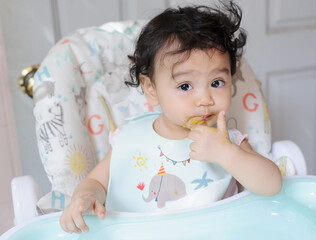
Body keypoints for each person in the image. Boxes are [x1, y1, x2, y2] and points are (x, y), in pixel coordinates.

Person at [60, 1, 282, 234]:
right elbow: (96, 183)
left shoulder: (228, 141)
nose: (205, 99)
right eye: (185, 86)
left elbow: (272, 185)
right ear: (151, 89)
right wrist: (85, 197)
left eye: (217, 83)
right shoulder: (128, 137)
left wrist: (226, 153)